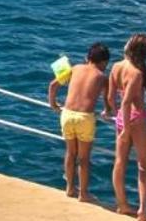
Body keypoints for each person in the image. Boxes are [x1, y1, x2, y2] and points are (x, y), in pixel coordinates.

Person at [48, 42, 111, 201]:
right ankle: (83, 193)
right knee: (83, 158)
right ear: (103, 62)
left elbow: (53, 85)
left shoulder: (75, 68)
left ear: (87, 57)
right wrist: (107, 112)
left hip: (67, 114)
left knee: (70, 153)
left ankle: (69, 188)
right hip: (84, 117)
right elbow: (108, 101)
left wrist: (53, 104)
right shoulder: (102, 77)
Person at [108, 33, 146, 221]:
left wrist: (113, 115)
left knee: (120, 162)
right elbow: (127, 102)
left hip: (120, 118)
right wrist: (127, 129)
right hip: (135, 120)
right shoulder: (136, 72)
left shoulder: (116, 67)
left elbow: (112, 98)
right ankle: (142, 211)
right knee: (143, 166)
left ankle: (122, 203)